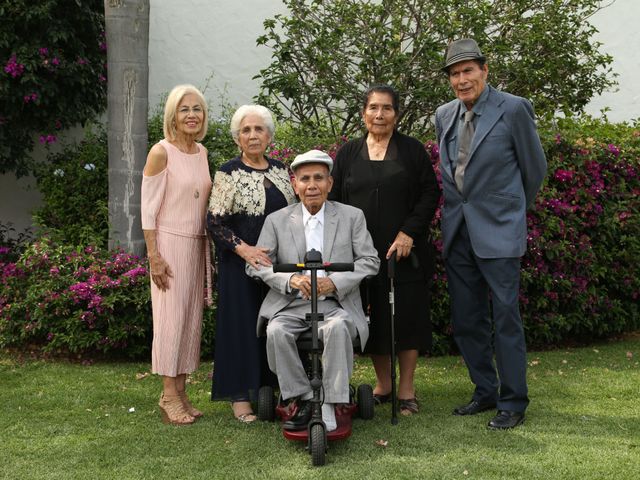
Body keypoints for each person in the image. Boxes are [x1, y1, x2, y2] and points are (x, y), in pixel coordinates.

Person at [435, 38, 547, 429]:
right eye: (454, 73)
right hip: (458, 231)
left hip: (499, 232)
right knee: (467, 319)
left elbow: (534, 170)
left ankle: (513, 401)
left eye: (468, 70)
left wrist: (509, 211)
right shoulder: (443, 114)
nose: (462, 79)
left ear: (484, 70)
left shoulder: (513, 108)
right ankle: (485, 391)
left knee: (505, 317)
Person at [247, 150, 380, 432]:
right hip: (289, 304)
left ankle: (330, 402)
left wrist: (334, 282)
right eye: (304, 179)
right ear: (295, 185)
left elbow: (370, 261)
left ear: (330, 183)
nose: (312, 185)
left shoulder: (351, 217)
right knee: (276, 332)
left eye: (318, 178)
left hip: (336, 304)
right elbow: (256, 265)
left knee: (338, 328)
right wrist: (291, 280)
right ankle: (304, 397)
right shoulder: (277, 220)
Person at [329, 84, 440, 416]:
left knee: (406, 320)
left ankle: (406, 390)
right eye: (373, 108)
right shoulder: (347, 153)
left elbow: (429, 194)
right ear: (364, 112)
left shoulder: (411, 151)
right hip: (361, 256)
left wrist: (408, 233)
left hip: (404, 252)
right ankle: (383, 386)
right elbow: (334, 203)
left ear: (396, 114)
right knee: (374, 320)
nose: (379, 114)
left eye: (387, 108)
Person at [207, 105, 296, 423]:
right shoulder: (228, 171)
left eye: (259, 129)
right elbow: (215, 222)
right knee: (242, 328)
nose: (253, 135)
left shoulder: (281, 170)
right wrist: (245, 250)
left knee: (277, 325)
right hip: (239, 265)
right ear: (237, 138)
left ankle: (274, 389)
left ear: (269, 136)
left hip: (279, 266)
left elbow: (295, 214)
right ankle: (241, 397)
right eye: (246, 130)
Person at [141, 84, 212, 425]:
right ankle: (169, 395)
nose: (192, 115)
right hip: (169, 244)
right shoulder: (161, 151)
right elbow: (148, 209)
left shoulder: (202, 152)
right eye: (184, 109)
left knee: (189, 321)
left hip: (196, 244)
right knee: (170, 321)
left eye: (197, 109)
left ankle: (181, 391)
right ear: (173, 114)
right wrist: (154, 255)